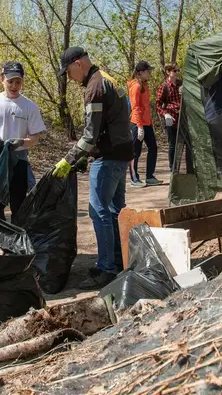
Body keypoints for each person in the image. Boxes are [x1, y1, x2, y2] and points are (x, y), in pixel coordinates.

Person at [53, 47, 134, 289]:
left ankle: (106, 268)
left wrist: (70, 158)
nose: (69, 78)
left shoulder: (95, 87)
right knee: (115, 210)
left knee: (99, 211)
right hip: (121, 153)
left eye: (68, 72)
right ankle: (119, 260)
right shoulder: (107, 78)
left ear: (78, 64)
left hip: (108, 158)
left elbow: (90, 135)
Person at [0, 61, 46, 220]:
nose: (14, 85)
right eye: (10, 81)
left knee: (19, 204)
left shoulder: (29, 106)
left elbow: (35, 138)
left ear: (22, 82)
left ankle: (16, 241)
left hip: (19, 161)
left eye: (18, 82)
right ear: (2, 79)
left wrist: (21, 142)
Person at [128, 61, 160, 187]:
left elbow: (146, 106)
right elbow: (135, 107)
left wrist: (149, 122)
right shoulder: (135, 86)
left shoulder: (145, 85)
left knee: (153, 148)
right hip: (137, 123)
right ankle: (134, 178)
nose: (149, 73)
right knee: (136, 152)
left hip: (147, 122)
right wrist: (139, 126)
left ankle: (150, 176)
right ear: (140, 73)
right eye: (148, 71)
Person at [155, 63, 193, 173]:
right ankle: (173, 169)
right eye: (174, 71)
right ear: (168, 72)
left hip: (184, 119)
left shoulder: (182, 84)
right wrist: (165, 114)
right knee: (173, 144)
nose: (177, 73)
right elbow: (158, 105)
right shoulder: (164, 86)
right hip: (171, 120)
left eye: (178, 70)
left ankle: (190, 169)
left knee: (189, 144)